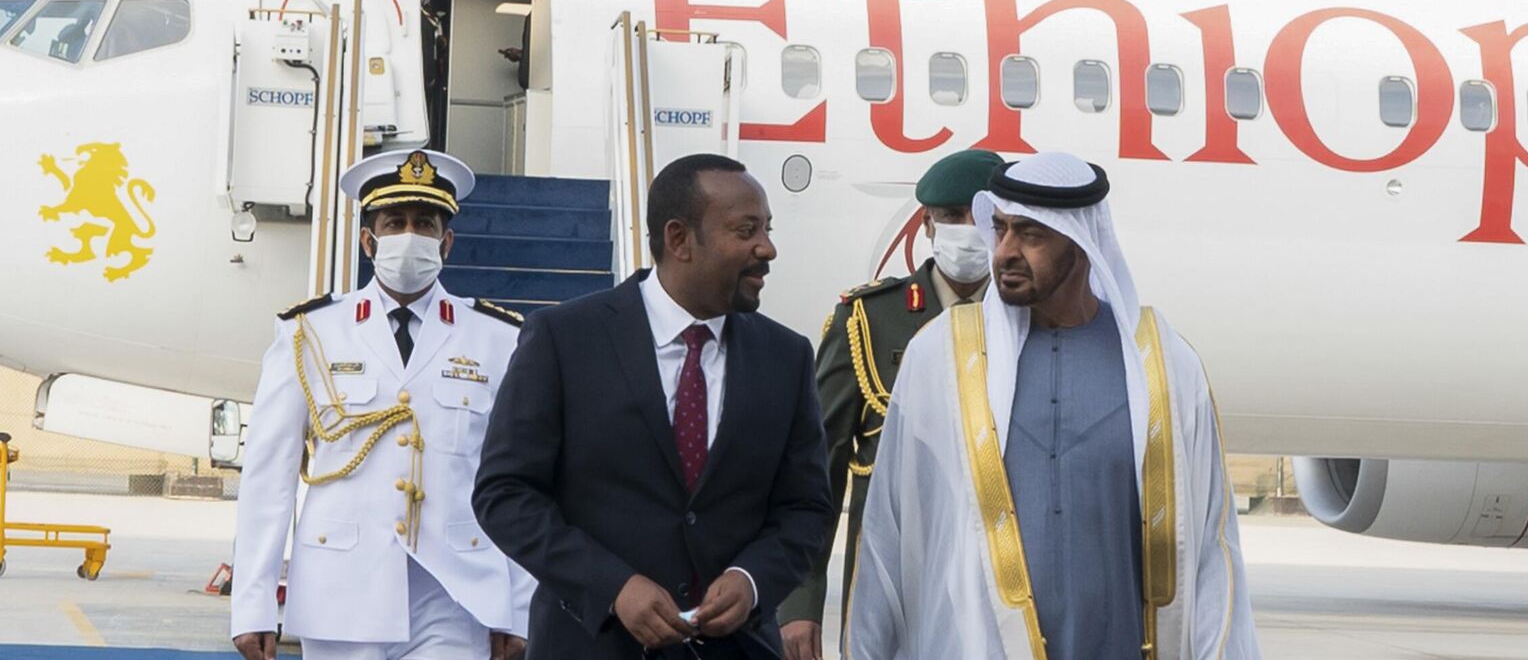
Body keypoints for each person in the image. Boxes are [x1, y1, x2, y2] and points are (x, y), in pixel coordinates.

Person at [844, 152, 1259, 659]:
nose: (1004, 251)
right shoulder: (942, 357)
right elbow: (890, 535)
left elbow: (1212, 554)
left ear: (1082, 244)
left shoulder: (1165, 366)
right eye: (1000, 229)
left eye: (1031, 235)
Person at [473, 153, 835, 659]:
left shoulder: (786, 357)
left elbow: (806, 508)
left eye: (767, 228)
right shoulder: (565, 339)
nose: (767, 248)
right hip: (592, 645)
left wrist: (752, 580)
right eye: (746, 229)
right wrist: (613, 586)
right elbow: (504, 494)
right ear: (679, 239)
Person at [231, 149, 534, 660]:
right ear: (369, 241)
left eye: (425, 223)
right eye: (395, 223)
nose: (410, 235)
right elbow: (268, 477)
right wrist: (253, 603)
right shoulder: (310, 334)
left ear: (447, 242)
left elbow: (521, 479)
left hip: (456, 593)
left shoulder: (496, 339)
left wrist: (519, 606)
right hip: (341, 591)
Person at [777, 150, 1005, 660]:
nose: (966, 230)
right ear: (926, 225)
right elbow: (815, 472)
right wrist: (800, 601)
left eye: (981, 217)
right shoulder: (868, 319)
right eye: (951, 217)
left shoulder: (1030, 320)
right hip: (895, 576)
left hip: (1004, 584)